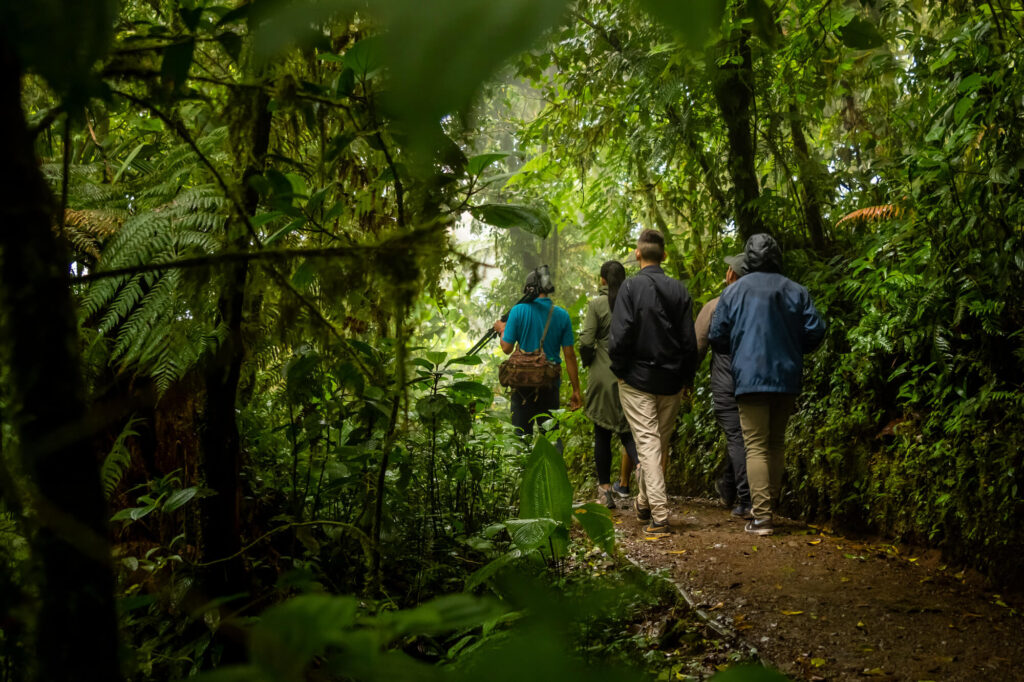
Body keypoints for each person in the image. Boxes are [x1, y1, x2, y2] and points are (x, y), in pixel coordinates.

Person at [708, 233, 826, 536]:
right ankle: (768, 506)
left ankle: (761, 517)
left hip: (749, 379)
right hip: (786, 377)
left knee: (756, 445)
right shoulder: (796, 290)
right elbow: (816, 331)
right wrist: (793, 349)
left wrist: (738, 348)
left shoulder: (734, 292)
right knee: (776, 442)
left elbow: (717, 334)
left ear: (748, 258)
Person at [608, 229, 698, 534]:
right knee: (656, 444)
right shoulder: (679, 290)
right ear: (665, 256)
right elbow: (689, 341)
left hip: (636, 380)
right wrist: (687, 378)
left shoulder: (630, 288)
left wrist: (619, 369)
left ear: (637, 254)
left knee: (647, 444)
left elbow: (619, 336)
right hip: (671, 380)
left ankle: (659, 514)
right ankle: (644, 503)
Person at [493, 268, 582, 443]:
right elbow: (570, 356)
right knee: (551, 440)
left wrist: (502, 329)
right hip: (549, 386)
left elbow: (506, 348)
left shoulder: (518, 311)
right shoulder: (562, 315)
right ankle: (554, 469)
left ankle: (523, 469)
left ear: (529, 288)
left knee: (521, 441)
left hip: (521, 386)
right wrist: (576, 389)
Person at [694, 253, 752, 519]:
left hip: (726, 378)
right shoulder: (758, 306)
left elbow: (698, 346)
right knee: (750, 437)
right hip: (755, 378)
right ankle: (729, 486)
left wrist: (686, 381)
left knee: (736, 438)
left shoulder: (716, 306)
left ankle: (747, 499)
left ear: (731, 275)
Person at [579, 261, 640, 509]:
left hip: (602, 378)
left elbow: (586, 342)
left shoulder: (596, 305)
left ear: (602, 280)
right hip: (629, 376)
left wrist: (589, 362)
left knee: (602, 434)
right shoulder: (633, 303)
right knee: (629, 433)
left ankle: (605, 492)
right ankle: (645, 477)